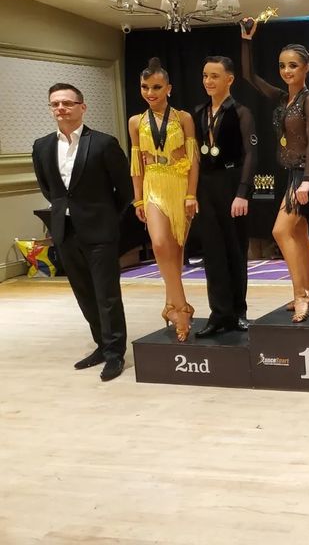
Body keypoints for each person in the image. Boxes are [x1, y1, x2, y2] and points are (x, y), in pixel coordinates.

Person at [32, 83, 133, 381]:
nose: (61, 109)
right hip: (65, 230)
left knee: (106, 294)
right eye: (55, 104)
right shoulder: (42, 146)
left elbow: (125, 190)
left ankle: (115, 354)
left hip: (100, 229)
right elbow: (49, 189)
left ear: (82, 107)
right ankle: (101, 345)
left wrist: (106, 217)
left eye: (67, 103)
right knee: (84, 293)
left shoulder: (103, 143)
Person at [240, 17, 309, 323]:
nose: (287, 71)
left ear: (306, 68)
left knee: (281, 230)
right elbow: (248, 75)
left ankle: (301, 294)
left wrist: (308, 180)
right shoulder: (283, 97)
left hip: (303, 175)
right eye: (283, 66)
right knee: (299, 232)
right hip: (291, 174)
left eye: (293, 66)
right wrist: (247, 40)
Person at [128, 58, 200, 342]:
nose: (150, 92)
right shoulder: (136, 122)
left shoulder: (183, 118)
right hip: (153, 184)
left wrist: (192, 194)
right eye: (145, 87)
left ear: (169, 88)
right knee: (159, 244)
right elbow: (136, 164)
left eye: (156, 87)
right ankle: (181, 308)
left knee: (175, 250)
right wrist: (138, 200)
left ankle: (171, 304)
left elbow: (193, 160)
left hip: (179, 184)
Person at [191, 56, 257, 337]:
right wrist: (191, 193)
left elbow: (251, 155)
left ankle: (238, 312)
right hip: (206, 185)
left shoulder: (241, 112)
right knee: (212, 253)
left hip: (232, 183)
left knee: (235, 250)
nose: (208, 81)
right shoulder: (198, 112)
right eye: (205, 75)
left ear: (229, 79)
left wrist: (243, 192)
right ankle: (219, 314)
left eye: (214, 76)